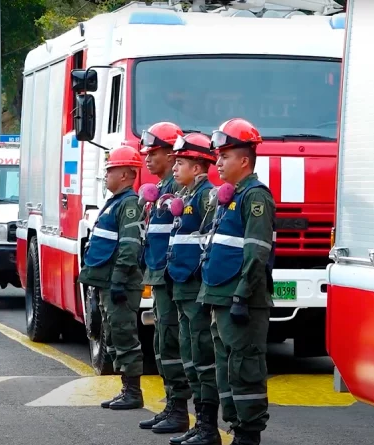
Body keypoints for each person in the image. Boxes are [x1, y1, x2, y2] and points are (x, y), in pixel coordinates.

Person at [199, 118, 276, 445]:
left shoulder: (255, 197)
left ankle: (248, 434)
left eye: (224, 156)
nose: (217, 162)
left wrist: (242, 297)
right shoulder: (229, 196)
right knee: (226, 369)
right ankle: (235, 428)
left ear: (244, 160)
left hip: (240, 299)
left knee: (245, 368)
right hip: (222, 297)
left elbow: (256, 253)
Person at [79, 145, 146, 410]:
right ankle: (126, 389)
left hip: (120, 283)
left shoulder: (129, 204)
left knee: (124, 334)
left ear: (127, 174)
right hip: (108, 282)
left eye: (111, 170)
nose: (106, 175)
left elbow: (130, 247)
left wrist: (118, 280)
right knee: (114, 334)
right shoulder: (116, 202)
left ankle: (133, 391)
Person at [166, 132, 221, 445]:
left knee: (202, 356)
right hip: (182, 287)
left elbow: (209, 243)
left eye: (182, 162)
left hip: (196, 288)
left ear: (200, 167)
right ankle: (199, 423)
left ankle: (209, 428)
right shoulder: (186, 196)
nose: (176, 168)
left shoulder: (206, 197)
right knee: (190, 356)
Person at [137, 122, 191, 433]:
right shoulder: (160, 192)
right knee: (162, 344)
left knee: (172, 344)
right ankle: (172, 404)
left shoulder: (178, 193)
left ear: (172, 155)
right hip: (158, 276)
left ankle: (180, 409)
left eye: (154, 152)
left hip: (170, 279)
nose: (148, 158)